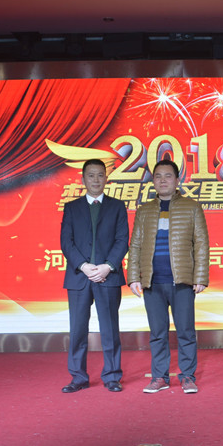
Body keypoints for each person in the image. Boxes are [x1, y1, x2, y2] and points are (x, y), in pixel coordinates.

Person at [128, 160, 209, 394]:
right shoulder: (144, 211)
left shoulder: (192, 207)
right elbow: (135, 246)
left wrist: (200, 276)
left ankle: (188, 376)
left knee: (186, 332)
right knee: (157, 333)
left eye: (168, 176)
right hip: (153, 282)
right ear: (153, 181)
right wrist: (134, 277)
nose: (163, 180)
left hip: (182, 281)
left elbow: (201, 243)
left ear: (177, 180)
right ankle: (159, 377)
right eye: (158, 176)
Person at [60, 159, 129, 393]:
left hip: (108, 276)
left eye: (100, 175)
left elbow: (122, 240)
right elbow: (66, 242)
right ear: (83, 179)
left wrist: (108, 266)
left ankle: (112, 376)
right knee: (78, 330)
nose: (96, 180)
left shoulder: (117, 206)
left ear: (106, 178)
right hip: (79, 277)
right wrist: (83, 266)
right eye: (91, 175)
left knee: (110, 329)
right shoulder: (71, 207)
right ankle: (78, 377)